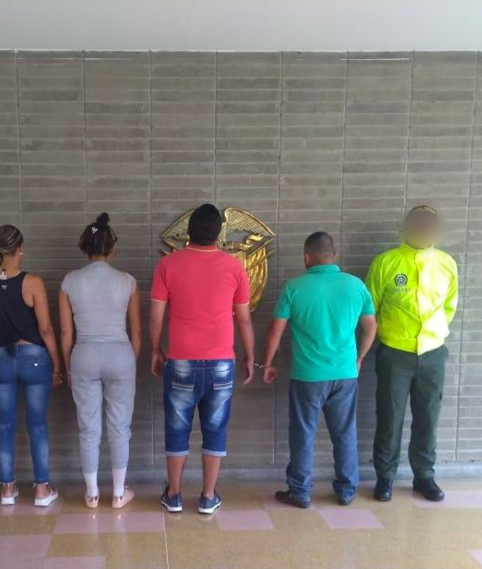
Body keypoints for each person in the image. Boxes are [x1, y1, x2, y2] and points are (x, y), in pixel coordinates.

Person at [150, 203, 255, 515]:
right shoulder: (235, 267)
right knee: (215, 428)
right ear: (218, 234)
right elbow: (244, 320)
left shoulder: (168, 264)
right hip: (222, 362)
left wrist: (155, 349)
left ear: (188, 231)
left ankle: (174, 495)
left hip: (181, 361)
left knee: (177, 427)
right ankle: (208, 496)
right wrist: (250, 356)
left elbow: (156, 315)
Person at [261, 232, 377, 507]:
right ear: (334, 256)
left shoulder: (294, 287)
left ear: (306, 257)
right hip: (345, 374)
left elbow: (275, 330)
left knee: (303, 434)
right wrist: (359, 359)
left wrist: (267, 363)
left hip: (307, 376)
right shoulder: (356, 286)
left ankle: (300, 491)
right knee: (344, 433)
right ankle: (346, 490)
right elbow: (371, 327)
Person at [365, 205, 458, 503]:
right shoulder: (385, 263)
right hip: (394, 352)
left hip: (432, 352)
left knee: (428, 416)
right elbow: (369, 309)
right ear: (405, 228)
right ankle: (385, 477)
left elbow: (449, 307)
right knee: (389, 416)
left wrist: (433, 335)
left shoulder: (446, 264)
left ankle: (424, 476)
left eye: (429, 227)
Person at [0, 225, 63, 507]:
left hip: (0, 359)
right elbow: (45, 329)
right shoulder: (32, 282)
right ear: (21, 248)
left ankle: (8, 489)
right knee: (37, 426)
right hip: (34, 359)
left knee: (4, 425)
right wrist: (57, 365)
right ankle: (42, 490)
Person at [59, 213, 142, 509]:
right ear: (112, 248)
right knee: (120, 427)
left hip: (83, 354)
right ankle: (119, 494)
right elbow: (136, 332)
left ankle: (92, 494)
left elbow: (66, 333)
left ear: (84, 247)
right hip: (120, 353)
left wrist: (68, 367)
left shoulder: (69, 281)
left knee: (88, 428)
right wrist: (129, 361)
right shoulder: (127, 281)